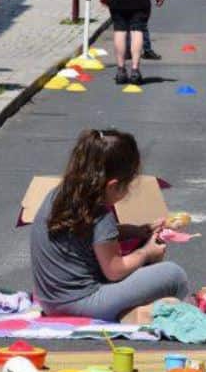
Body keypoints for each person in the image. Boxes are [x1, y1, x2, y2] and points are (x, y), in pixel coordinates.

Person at [30, 129, 190, 322]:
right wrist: (147, 252)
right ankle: (190, 316)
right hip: (82, 302)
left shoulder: (60, 196)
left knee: (143, 263)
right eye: (128, 185)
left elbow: (91, 237)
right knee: (173, 274)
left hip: (50, 302)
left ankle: (137, 310)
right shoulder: (100, 213)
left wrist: (138, 231)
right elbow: (115, 270)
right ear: (113, 186)